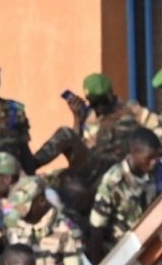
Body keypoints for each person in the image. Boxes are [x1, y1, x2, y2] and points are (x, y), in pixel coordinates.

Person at [34, 72, 162, 188]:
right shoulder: (88, 117)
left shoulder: (132, 110)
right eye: (95, 104)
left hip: (120, 167)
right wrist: (78, 118)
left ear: (112, 93)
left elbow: (158, 131)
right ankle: (31, 164)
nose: (101, 108)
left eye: (104, 101)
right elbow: (77, 147)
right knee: (48, 179)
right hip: (93, 167)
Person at [88, 127, 161, 264]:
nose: (154, 161)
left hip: (154, 244)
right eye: (149, 157)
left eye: (157, 156)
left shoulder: (157, 172)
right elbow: (97, 228)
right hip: (125, 252)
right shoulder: (113, 183)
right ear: (133, 153)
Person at [2, 176, 85, 265]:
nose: (23, 217)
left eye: (25, 211)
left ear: (41, 201)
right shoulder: (19, 222)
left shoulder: (66, 229)